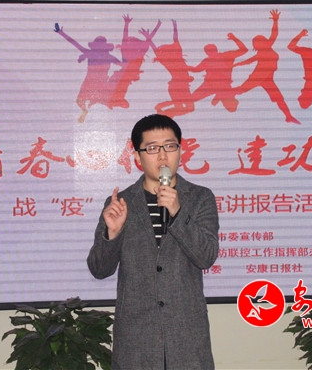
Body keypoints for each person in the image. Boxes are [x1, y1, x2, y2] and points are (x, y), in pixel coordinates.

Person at [87, 114, 219, 370]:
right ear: (137, 157)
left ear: (180, 151)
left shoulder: (200, 198)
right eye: (152, 148)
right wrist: (112, 234)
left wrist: (178, 213)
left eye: (170, 146)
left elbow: (206, 256)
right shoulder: (120, 203)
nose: (162, 156)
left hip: (187, 339)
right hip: (136, 341)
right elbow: (99, 269)